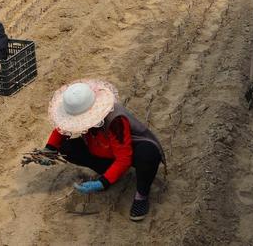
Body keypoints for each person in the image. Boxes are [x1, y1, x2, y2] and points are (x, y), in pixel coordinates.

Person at [41, 80, 166, 221]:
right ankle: (107, 171)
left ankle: (141, 195)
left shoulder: (115, 121)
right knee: (67, 148)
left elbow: (124, 158)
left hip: (129, 149)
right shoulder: (82, 110)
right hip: (103, 148)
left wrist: (102, 183)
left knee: (148, 154)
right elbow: (61, 129)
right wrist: (49, 149)